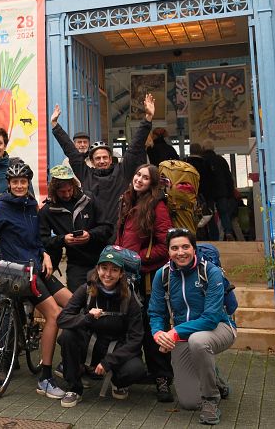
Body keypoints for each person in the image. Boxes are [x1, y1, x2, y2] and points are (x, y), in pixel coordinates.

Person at [0, 161, 72, 401]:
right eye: (15, 182)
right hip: (21, 274)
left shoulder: (31, 207)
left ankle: (70, 359)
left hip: (39, 268)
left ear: (28, 183)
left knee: (74, 303)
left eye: (23, 182)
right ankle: (45, 378)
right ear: (9, 184)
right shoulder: (1, 208)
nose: (19, 185)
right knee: (54, 315)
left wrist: (46, 254)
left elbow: (36, 241)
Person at [149, 229, 236, 425]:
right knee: (189, 402)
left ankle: (211, 399)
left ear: (194, 249)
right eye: (175, 248)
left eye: (185, 247)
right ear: (168, 252)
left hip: (219, 328)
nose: (181, 252)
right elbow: (155, 312)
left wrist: (174, 332)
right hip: (181, 335)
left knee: (198, 341)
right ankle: (215, 379)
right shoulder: (162, 275)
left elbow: (211, 318)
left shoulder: (210, 272)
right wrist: (158, 334)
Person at [55, 246, 146, 408]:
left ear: (121, 274)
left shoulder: (130, 297)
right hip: (90, 343)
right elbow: (62, 319)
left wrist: (109, 361)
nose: (108, 274)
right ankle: (74, 387)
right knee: (68, 335)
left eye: (114, 270)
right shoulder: (87, 289)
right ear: (97, 269)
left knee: (136, 369)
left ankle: (118, 382)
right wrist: (87, 317)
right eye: (104, 268)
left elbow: (136, 339)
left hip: (117, 347)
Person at [114, 163, 173, 402]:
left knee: (152, 328)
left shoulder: (157, 207)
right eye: (137, 174)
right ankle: (135, 372)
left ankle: (162, 379)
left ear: (153, 183)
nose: (139, 179)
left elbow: (165, 245)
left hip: (147, 279)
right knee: (129, 326)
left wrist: (139, 259)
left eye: (145, 178)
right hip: (125, 276)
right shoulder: (127, 200)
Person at [51, 94, 155, 230]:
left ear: (111, 159)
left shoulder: (122, 171)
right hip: (94, 232)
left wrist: (147, 119)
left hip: (120, 230)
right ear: (92, 161)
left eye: (105, 157)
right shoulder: (86, 174)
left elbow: (135, 147)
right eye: (98, 158)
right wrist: (55, 126)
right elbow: (71, 151)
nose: (102, 161)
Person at [38, 164, 107, 292]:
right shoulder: (47, 210)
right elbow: (43, 240)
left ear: (74, 185)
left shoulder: (89, 199)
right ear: (54, 190)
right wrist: (63, 240)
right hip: (76, 263)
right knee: (76, 300)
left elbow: (107, 227)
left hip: (100, 259)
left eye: (70, 190)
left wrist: (90, 235)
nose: (67, 194)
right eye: (62, 192)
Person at [202, 142, 238, 241]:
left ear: (203, 149)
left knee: (210, 215)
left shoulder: (203, 160)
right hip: (222, 191)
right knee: (224, 213)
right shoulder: (221, 160)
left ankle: (214, 236)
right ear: (213, 149)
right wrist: (230, 192)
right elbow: (228, 176)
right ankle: (228, 232)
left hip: (208, 192)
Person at [185, 144, 218, 241]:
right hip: (206, 196)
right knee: (209, 218)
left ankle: (192, 238)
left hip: (189, 195)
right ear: (201, 151)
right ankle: (213, 238)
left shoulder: (185, 163)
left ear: (190, 151)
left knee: (190, 218)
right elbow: (212, 180)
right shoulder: (206, 163)